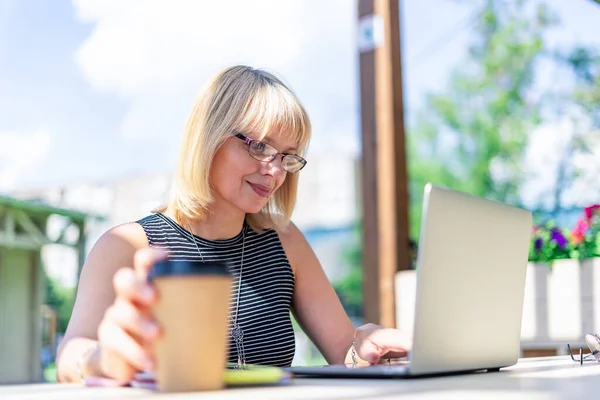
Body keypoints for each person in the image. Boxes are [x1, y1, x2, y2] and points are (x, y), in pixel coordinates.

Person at [56, 65, 411, 383]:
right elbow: (70, 355)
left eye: (287, 156)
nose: (274, 171)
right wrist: (103, 358)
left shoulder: (285, 240)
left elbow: (344, 353)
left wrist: (364, 349)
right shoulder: (127, 245)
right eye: (259, 146)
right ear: (208, 138)